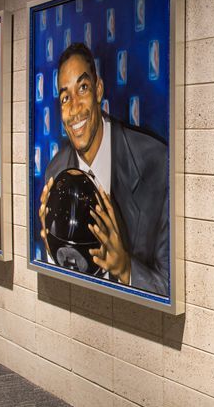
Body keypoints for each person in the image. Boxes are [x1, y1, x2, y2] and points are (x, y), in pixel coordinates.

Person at [39, 43, 169, 296]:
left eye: (83, 88)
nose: (74, 108)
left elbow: (172, 286)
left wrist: (125, 268)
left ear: (98, 91)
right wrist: (53, 249)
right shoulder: (54, 172)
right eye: (65, 97)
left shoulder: (155, 162)